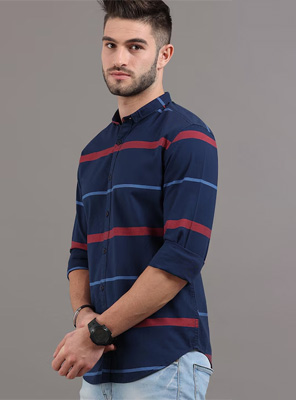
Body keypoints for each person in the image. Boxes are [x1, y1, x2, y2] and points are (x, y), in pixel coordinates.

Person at [51, 1, 218, 399]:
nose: (119, 59)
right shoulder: (93, 152)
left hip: (164, 364)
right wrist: (84, 317)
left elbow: (181, 259)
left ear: (164, 55)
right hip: (98, 369)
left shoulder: (187, 137)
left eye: (135, 46)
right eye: (110, 45)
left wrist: (97, 332)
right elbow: (80, 252)